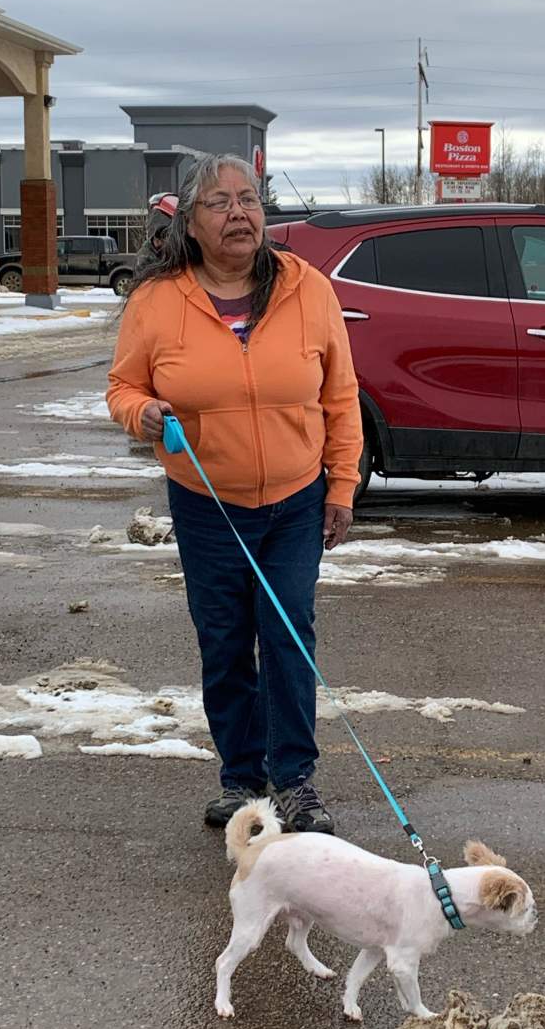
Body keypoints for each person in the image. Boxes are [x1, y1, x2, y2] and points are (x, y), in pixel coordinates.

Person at [106, 154, 362, 834]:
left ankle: (296, 783)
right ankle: (242, 780)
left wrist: (342, 485)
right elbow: (123, 387)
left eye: (248, 199)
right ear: (190, 223)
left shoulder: (308, 289)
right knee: (223, 642)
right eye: (218, 202)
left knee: (286, 636)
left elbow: (340, 396)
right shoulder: (158, 301)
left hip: (294, 499)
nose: (238, 213)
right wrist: (144, 414)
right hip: (206, 503)